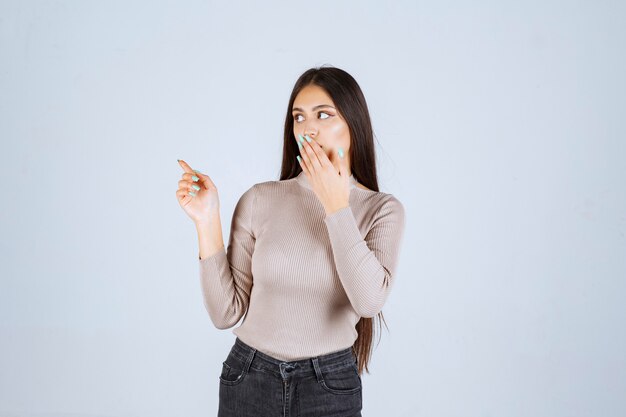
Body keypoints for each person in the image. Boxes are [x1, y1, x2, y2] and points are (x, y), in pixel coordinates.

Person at [176, 65, 406, 417]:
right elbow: (226, 314)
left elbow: (368, 301)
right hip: (249, 377)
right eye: (299, 117)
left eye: (323, 114)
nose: (308, 128)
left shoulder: (381, 210)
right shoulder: (260, 199)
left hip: (329, 387)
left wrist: (335, 205)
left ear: (353, 126)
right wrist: (207, 219)